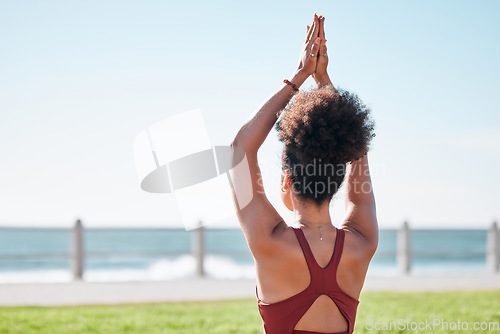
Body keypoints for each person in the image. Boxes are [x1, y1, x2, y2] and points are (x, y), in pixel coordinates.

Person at [230, 13, 378, 334]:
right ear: (340, 176)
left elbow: (240, 151)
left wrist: (300, 76)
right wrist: (324, 83)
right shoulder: (361, 242)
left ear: (287, 181)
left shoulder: (270, 243)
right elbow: (359, 155)